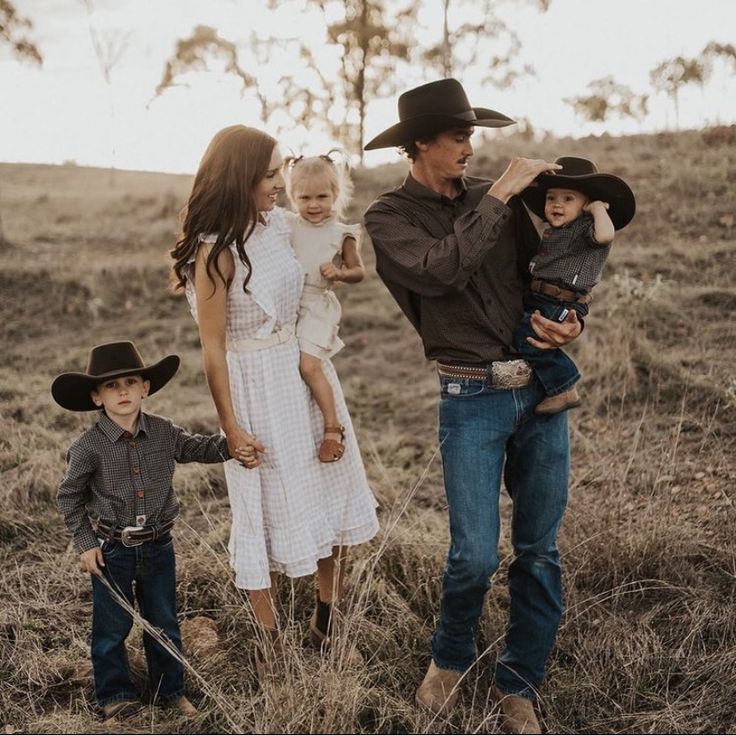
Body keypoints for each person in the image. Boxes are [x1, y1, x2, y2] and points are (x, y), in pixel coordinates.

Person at [363, 78, 582, 734]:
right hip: (469, 395)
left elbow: (538, 278)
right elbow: (440, 272)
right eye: (459, 136)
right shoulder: (388, 218)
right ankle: (451, 657)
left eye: (472, 136)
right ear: (420, 143)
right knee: (474, 556)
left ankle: (519, 685)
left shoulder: (497, 199)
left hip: (540, 388)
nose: (470, 147)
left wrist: (568, 320)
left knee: (539, 550)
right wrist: (504, 195)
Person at [170, 125, 378, 673]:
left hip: (304, 372)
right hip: (253, 384)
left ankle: (325, 622)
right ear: (241, 177)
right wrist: (229, 428)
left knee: (332, 489)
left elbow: (330, 234)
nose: (280, 186)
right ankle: (269, 644)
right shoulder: (213, 253)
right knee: (258, 509)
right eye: (269, 175)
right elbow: (213, 350)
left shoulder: (277, 223)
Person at [52, 341, 238, 720]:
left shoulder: (164, 432)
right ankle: (115, 694)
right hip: (112, 548)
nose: (122, 391)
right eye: (111, 385)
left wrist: (235, 444)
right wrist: (86, 544)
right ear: (96, 397)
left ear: (145, 388)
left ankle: (169, 691)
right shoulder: (88, 447)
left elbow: (199, 448)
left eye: (130, 382)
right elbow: (69, 496)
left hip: (158, 545)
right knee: (111, 626)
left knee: (163, 621)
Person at [514, 156, 636, 415]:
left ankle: (564, 386)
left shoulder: (586, 229)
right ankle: (549, 385)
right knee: (525, 335)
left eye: (568, 199)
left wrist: (598, 209)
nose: (557, 204)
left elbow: (606, 235)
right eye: (551, 198)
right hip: (541, 296)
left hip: (562, 299)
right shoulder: (556, 231)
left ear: (584, 206)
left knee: (527, 339)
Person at [283, 151, 366, 463]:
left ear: (336, 194)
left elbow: (359, 271)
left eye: (322, 196)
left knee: (309, 366)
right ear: (292, 197)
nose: (313, 205)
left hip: (318, 305)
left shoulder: (341, 233)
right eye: (304, 197)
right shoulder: (288, 225)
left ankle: (332, 426)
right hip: (288, 305)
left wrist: (340, 273)